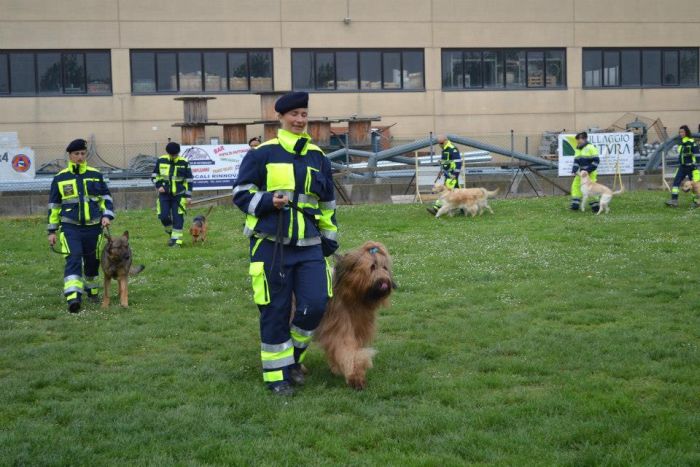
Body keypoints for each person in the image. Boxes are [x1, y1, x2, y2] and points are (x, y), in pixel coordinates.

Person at [233, 91, 339, 396]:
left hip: (309, 246)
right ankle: (276, 376)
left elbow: (328, 203)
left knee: (316, 304)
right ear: (280, 117)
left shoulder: (318, 157)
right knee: (275, 310)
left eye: (304, 115)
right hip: (270, 245)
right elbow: (240, 193)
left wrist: (330, 236)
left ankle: (292, 358)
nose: (300, 120)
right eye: (294, 115)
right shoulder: (261, 154)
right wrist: (267, 200)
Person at [47, 138, 114, 313]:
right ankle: (73, 297)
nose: (80, 157)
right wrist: (52, 230)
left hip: (94, 227)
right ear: (69, 156)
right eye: (76, 154)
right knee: (74, 258)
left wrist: (106, 215)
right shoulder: (60, 178)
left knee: (92, 262)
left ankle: (91, 290)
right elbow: (54, 207)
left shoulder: (95, 175)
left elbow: (106, 199)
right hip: (70, 227)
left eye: (83, 153)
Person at [151, 142, 193, 246]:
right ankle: (171, 233)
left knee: (178, 218)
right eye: (171, 155)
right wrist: (159, 185)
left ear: (178, 153)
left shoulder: (184, 162)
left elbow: (189, 181)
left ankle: (176, 242)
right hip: (164, 194)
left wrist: (188, 196)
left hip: (179, 195)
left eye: (175, 155)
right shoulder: (161, 160)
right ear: (168, 153)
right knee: (163, 216)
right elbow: (154, 175)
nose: (173, 157)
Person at [427, 135, 462, 215]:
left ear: (446, 141)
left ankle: (436, 208)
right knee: (459, 192)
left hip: (451, 175)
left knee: (444, 192)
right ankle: (463, 207)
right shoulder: (445, 149)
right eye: (439, 144)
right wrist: (442, 167)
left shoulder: (452, 149)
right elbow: (447, 162)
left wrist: (455, 174)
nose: (440, 145)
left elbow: (458, 163)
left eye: (441, 143)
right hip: (448, 174)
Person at [666, 125, 699, 208]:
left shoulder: (691, 142)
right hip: (682, 167)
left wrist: (696, 167)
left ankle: (696, 202)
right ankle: (674, 201)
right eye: (680, 132)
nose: (681, 134)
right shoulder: (681, 142)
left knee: (694, 186)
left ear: (686, 132)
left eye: (682, 132)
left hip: (691, 167)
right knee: (676, 182)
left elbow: (697, 155)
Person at [570, 131, 600, 212]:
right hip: (581, 173)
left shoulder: (591, 147)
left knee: (591, 189)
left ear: (584, 139)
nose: (578, 141)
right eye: (577, 139)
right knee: (575, 186)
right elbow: (576, 161)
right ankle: (575, 205)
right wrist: (574, 169)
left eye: (579, 139)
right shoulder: (578, 148)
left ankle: (595, 206)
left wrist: (588, 170)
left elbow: (596, 161)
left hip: (590, 173)